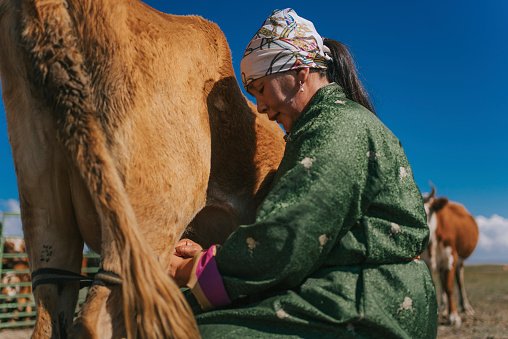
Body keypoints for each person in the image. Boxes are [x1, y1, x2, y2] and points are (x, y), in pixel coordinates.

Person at [170, 8, 438, 338]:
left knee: (186, 330)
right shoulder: (324, 127)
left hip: (368, 303)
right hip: (349, 290)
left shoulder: (338, 129)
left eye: (260, 88)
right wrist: (214, 258)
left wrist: (189, 270)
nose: (261, 109)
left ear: (298, 72)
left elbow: (287, 237)